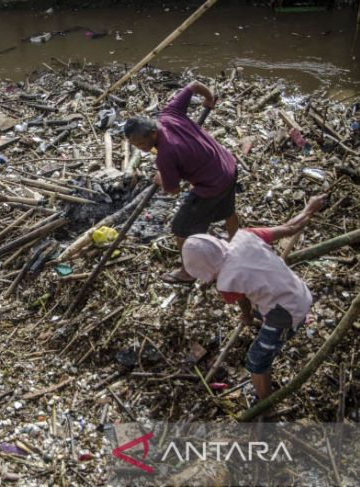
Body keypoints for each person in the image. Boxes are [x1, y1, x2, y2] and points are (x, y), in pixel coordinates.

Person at [181, 194, 327, 403]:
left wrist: (247, 318)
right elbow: (290, 228)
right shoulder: (246, 236)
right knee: (263, 306)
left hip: (288, 313)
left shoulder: (226, 283)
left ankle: (266, 404)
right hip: (299, 291)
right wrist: (309, 209)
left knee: (256, 362)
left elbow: (244, 305)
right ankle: (291, 320)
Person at [124, 81, 239, 284]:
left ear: (153, 133)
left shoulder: (166, 155)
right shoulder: (169, 113)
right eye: (136, 145)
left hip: (212, 183)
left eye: (142, 144)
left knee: (180, 228)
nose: (141, 149)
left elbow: (174, 190)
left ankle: (187, 272)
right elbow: (193, 85)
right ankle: (238, 242)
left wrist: (161, 180)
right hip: (227, 164)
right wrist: (209, 97)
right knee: (227, 208)